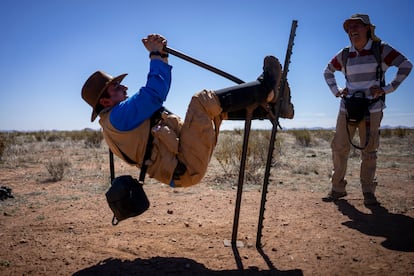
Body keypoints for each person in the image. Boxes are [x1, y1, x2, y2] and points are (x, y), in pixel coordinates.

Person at [82, 34, 293, 188]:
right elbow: (154, 93)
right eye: (116, 87)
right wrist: (155, 54)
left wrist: (162, 57)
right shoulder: (119, 117)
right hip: (184, 165)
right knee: (201, 100)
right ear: (104, 100)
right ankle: (268, 89)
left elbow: (154, 96)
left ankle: (271, 110)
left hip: (182, 167)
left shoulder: (114, 122)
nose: (124, 87)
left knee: (215, 110)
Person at [323, 14, 412, 205]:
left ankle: (368, 192)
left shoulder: (381, 50)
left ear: (368, 29)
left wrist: (388, 88)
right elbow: (328, 71)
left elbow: (406, 65)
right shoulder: (345, 54)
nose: (352, 30)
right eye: (349, 28)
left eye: (356, 26)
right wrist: (337, 91)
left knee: (369, 150)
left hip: (372, 109)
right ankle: (337, 189)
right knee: (339, 147)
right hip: (347, 108)